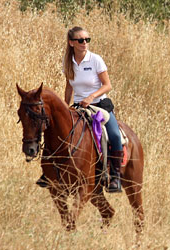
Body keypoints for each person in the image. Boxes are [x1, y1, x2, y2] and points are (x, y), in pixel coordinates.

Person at [36, 26, 124, 193]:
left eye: (87, 40)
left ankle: (115, 176)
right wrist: (65, 105)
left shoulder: (95, 60)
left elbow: (107, 85)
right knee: (54, 129)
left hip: (98, 106)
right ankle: (47, 172)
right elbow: (69, 87)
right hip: (78, 107)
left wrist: (91, 97)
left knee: (114, 134)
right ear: (71, 43)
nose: (85, 43)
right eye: (81, 40)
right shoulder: (68, 62)